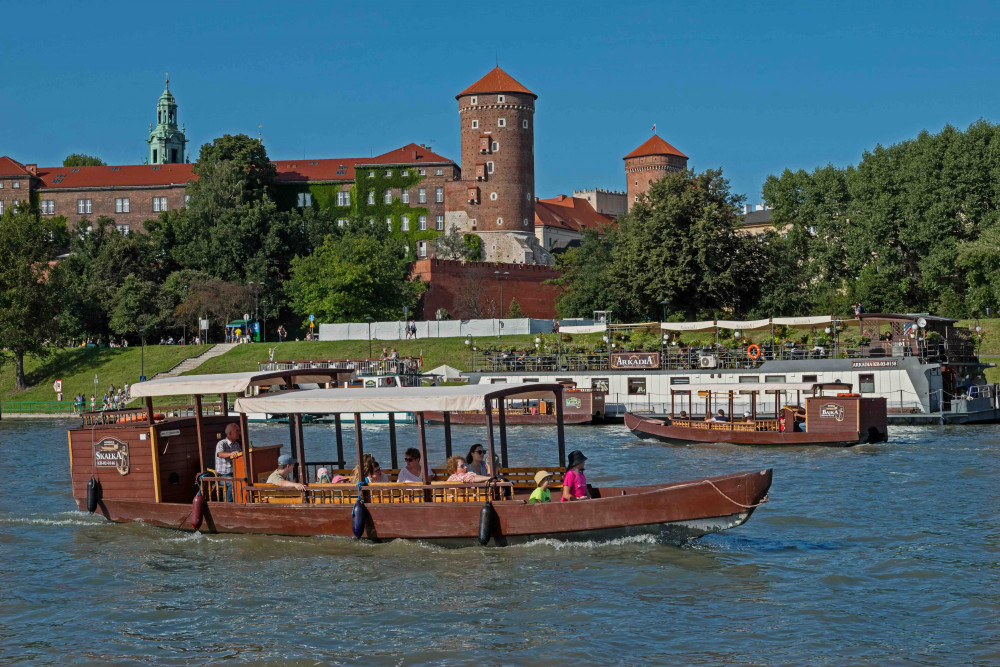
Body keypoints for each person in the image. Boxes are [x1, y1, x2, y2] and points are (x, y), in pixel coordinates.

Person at [215, 423, 243, 501]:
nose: (239, 433)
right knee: (234, 483)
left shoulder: (236, 444)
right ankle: (228, 504)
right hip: (222, 476)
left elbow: (241, 456)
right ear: (230, 433)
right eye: (237, 431)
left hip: (235, 474)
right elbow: (220, 454)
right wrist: (231, 454)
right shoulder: (222, 443)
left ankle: (242, 501)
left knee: (245, 481)